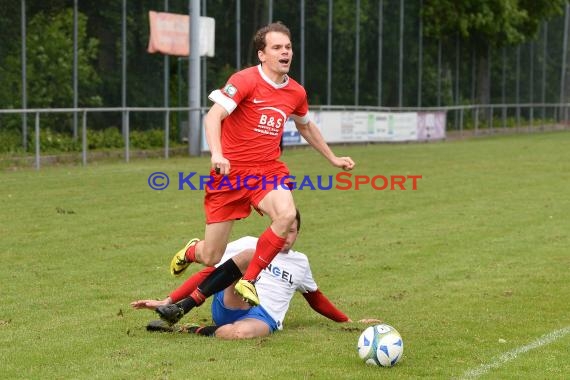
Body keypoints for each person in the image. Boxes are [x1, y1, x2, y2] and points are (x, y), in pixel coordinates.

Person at [169, 21, 355, 307]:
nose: (285, 52)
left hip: (267, 170)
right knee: (212, 256)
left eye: (289, 47)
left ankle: (249, 279)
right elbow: (213, 116)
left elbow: (306, 127)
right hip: (229, 175)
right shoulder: (245, 80)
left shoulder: (295, 92)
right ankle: (192, 250)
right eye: (277, 47)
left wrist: (332, 157)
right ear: (262, 54)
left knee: (286, 214)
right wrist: (217, 154)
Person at [132, 211, 379, 339]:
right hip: (231, 303)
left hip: (265, 316)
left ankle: (186, 330)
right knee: (251, 254)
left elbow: (315, 298)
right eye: (283, 230)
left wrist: (347, 321)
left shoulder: (300, 262)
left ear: (298, 233)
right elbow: (210, 273)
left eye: (292, 231)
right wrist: (169, 300)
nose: (286, 236)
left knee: (237, 334)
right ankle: (182, 308)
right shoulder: (251, 243)